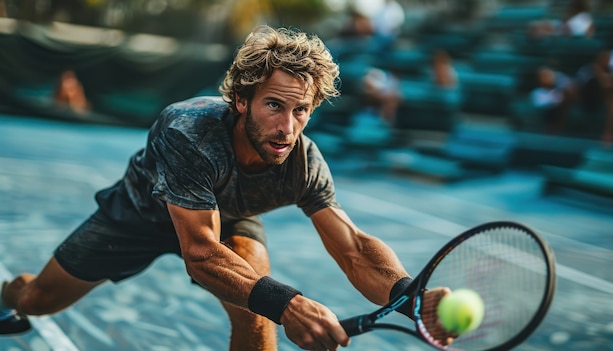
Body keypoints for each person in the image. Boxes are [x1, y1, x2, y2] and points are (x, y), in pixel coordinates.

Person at [0, 25, 454, 351]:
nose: (286, 128)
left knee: (257, 310)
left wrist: (409, 295)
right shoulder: (188, 131)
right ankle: (6, 294)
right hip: (138, 216)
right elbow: (199, 254)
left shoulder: (303, 161)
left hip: (230, 217)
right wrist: (291, 304)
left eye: (301, 111)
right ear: (241, 100)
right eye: (274, 105)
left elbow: (354, 249)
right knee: (38, 301)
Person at [530, 66, 576, 133]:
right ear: (539, 78)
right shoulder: (537, 93)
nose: (548, 78)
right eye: (544, 76)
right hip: (547, 123)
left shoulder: (558, 91)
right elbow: (544, 106)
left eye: (550, 76)